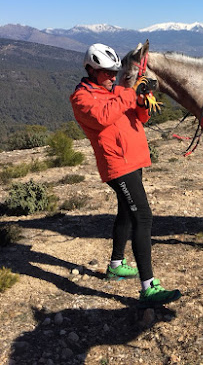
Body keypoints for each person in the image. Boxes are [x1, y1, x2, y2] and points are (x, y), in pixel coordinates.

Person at [70, 43, 181, 306]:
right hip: (117, 165)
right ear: (90, 69)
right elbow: (103, 116)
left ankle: (116, 265)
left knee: (126, 212)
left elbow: (138, 118)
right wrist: (132, 93)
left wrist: (143, 102)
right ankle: (148, 288)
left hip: (134, 160)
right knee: (143, 216)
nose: (111, 77)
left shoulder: (116, 90)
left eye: (113, 72)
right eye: (106, 72)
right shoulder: (81, 98)